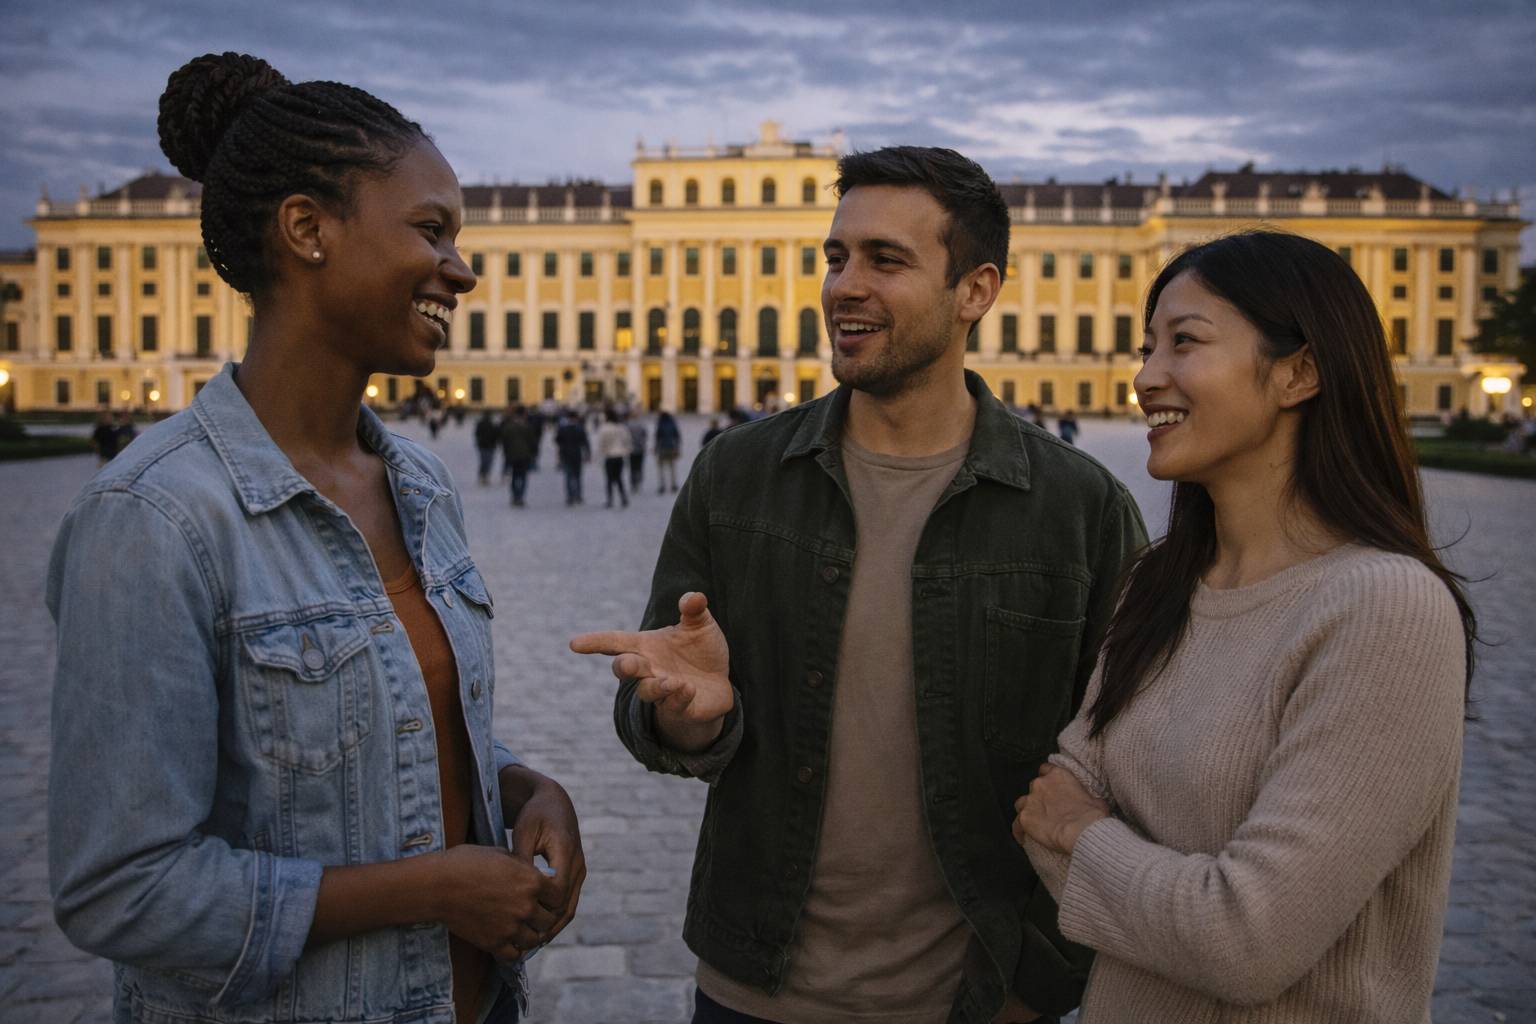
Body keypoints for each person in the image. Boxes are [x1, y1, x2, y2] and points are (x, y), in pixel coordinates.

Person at [45, 52, 585, 1024]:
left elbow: (387, 719)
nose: (462, 271)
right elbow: (119, 888)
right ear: (306, 230)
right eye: (432, 231)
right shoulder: (156, 519)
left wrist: (521, 781)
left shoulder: (418, 483)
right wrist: (429, 887)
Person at [572, 146, 1146, 1024]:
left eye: (886, 260)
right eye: (836, 257)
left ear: (977, 291)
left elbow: (1129, 768)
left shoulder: (1081, 510)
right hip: (748, 990)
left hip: (976, 996)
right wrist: (682, 718)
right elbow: (653, 702)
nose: (844, 284)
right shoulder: (736, 476)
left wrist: (1037, 986)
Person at [1013, 231, 1476, 1021]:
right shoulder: (1157, 586)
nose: (1145, 377)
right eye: (1146, 346)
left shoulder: (1383, 609)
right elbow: (1046, 806)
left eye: (1184, 343)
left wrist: (1086, 842)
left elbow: (1247, 940)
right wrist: (1115, 855)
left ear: (1300, 372)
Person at [500, 404, 536, 507]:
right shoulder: (527, 427)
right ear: (524, 414)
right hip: (525, 456)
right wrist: (533, 454)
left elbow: (504, 441)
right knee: (523, 477)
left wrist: (506, 453)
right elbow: (532, 442)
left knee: (514, 476)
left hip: (512, 455)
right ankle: (520, 497)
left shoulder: (509, 427)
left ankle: (515, 496)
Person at [595, 408, 632, 509]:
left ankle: (610, 500)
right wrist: (626, 451)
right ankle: (623, 498)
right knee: (619, 478)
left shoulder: (604, 428)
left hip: (610, 456)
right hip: (619, 455)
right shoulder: (621, 427)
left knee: (609, 479)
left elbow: (601, 444)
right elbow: (627, 440)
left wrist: (599, 455)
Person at [554, 410, 590, 506]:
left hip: (566, 454)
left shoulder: (563, 428)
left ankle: (570, 496)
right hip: (577, 454)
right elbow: (585, 442)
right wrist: (587, 454)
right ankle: (578, 495)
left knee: (568, 476)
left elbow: (557, 440)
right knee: (578, 476)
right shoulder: (580, 428)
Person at [654, 410, 682, 493]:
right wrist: (677, 448)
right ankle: (673, 485)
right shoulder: (673, 424)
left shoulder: (660, 424)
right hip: (672, 448)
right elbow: (677, 437)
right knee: (672, 467)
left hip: (662, 448)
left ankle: (662, 486)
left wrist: (656, 448)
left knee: (661, 468)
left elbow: (657, 438)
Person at [473, 409, 500, 485]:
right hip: (489, 446)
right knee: (488, 462)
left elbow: (477, 434)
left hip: (483, 445)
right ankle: (484, 476)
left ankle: (483, 475)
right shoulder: (492, 424)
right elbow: (496, 435)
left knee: (484, 461)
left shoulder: (481, 424)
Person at [627, 414, 648, 491]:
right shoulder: (641, 425)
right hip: (640, 449)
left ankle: (633, 483)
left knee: (632, 467)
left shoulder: (628, 425)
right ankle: (639, 480)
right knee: (639, 466)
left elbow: (626, 437)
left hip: (631, 449)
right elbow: (645, 435)